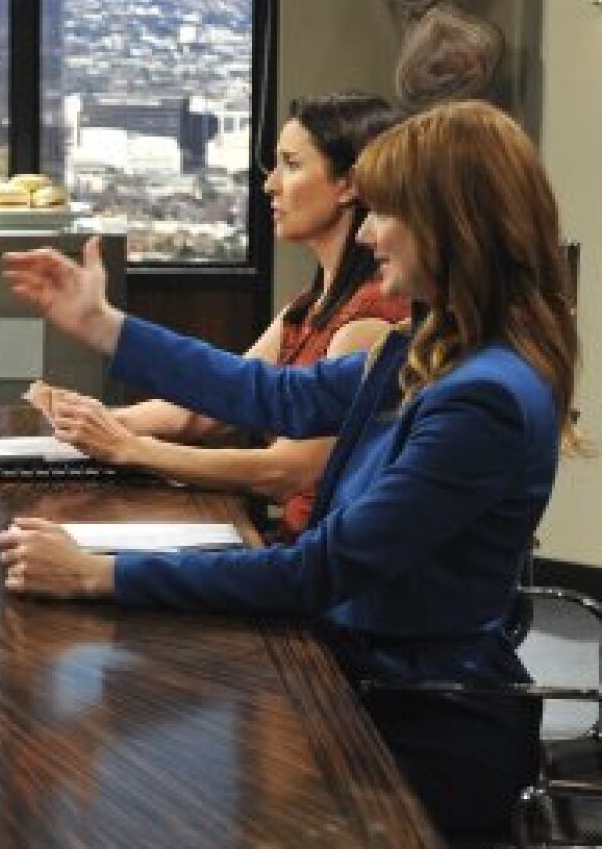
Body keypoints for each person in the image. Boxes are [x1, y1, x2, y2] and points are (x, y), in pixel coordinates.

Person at [0, 99, 580, 843]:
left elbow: (320, 571)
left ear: (450, 226)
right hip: (358, 672)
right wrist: (103, 326)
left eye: (385, 213)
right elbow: (271, 393)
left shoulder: (484, 398)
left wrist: (96, 574)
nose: (366, 233)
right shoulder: (430, 347)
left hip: (414, 720)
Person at [33, 91, 409, 540]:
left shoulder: (368, 321)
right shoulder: (311, 302)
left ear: (347, 185)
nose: (270, 185)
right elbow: (215, 407)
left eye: (291, 165)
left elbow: (286, 471)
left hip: (302, 556)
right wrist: (94, 421)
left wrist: (130, 448)